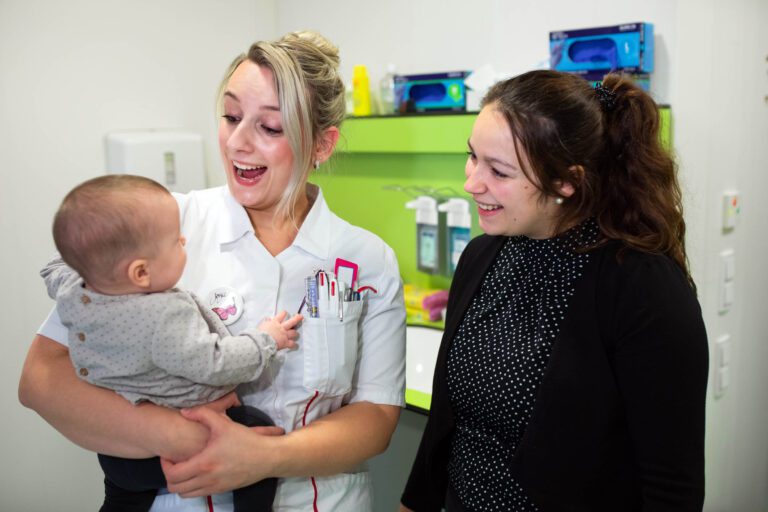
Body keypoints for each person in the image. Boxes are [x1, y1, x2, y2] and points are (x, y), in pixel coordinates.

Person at [19, 30, 406, 511]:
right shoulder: (162, 225)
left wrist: (262, 457)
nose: (238, 143)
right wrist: (173, 434)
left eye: (270, 128)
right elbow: (42, 378)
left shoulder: (367, 259)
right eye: (230, 116)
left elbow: (376, 416)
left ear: (322, 145)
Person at [400, 70, 708, 512]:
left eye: (499, 171)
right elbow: (446, 425)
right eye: (472, 157)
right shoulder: (483, 257)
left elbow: (671, 485)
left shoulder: (643, 288)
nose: (471, 182)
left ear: (567, 181)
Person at [42, 174, 302, 511]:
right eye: (175, 243)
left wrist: (87, 258)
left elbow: (55, 268)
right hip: (186, 434)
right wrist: (266, 339)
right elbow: (216, 363)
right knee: (257, 433)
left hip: (117, 451)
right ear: (140, 273)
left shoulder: (75, 292)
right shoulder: (162, 316)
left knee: (122, 498)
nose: (183, 240)